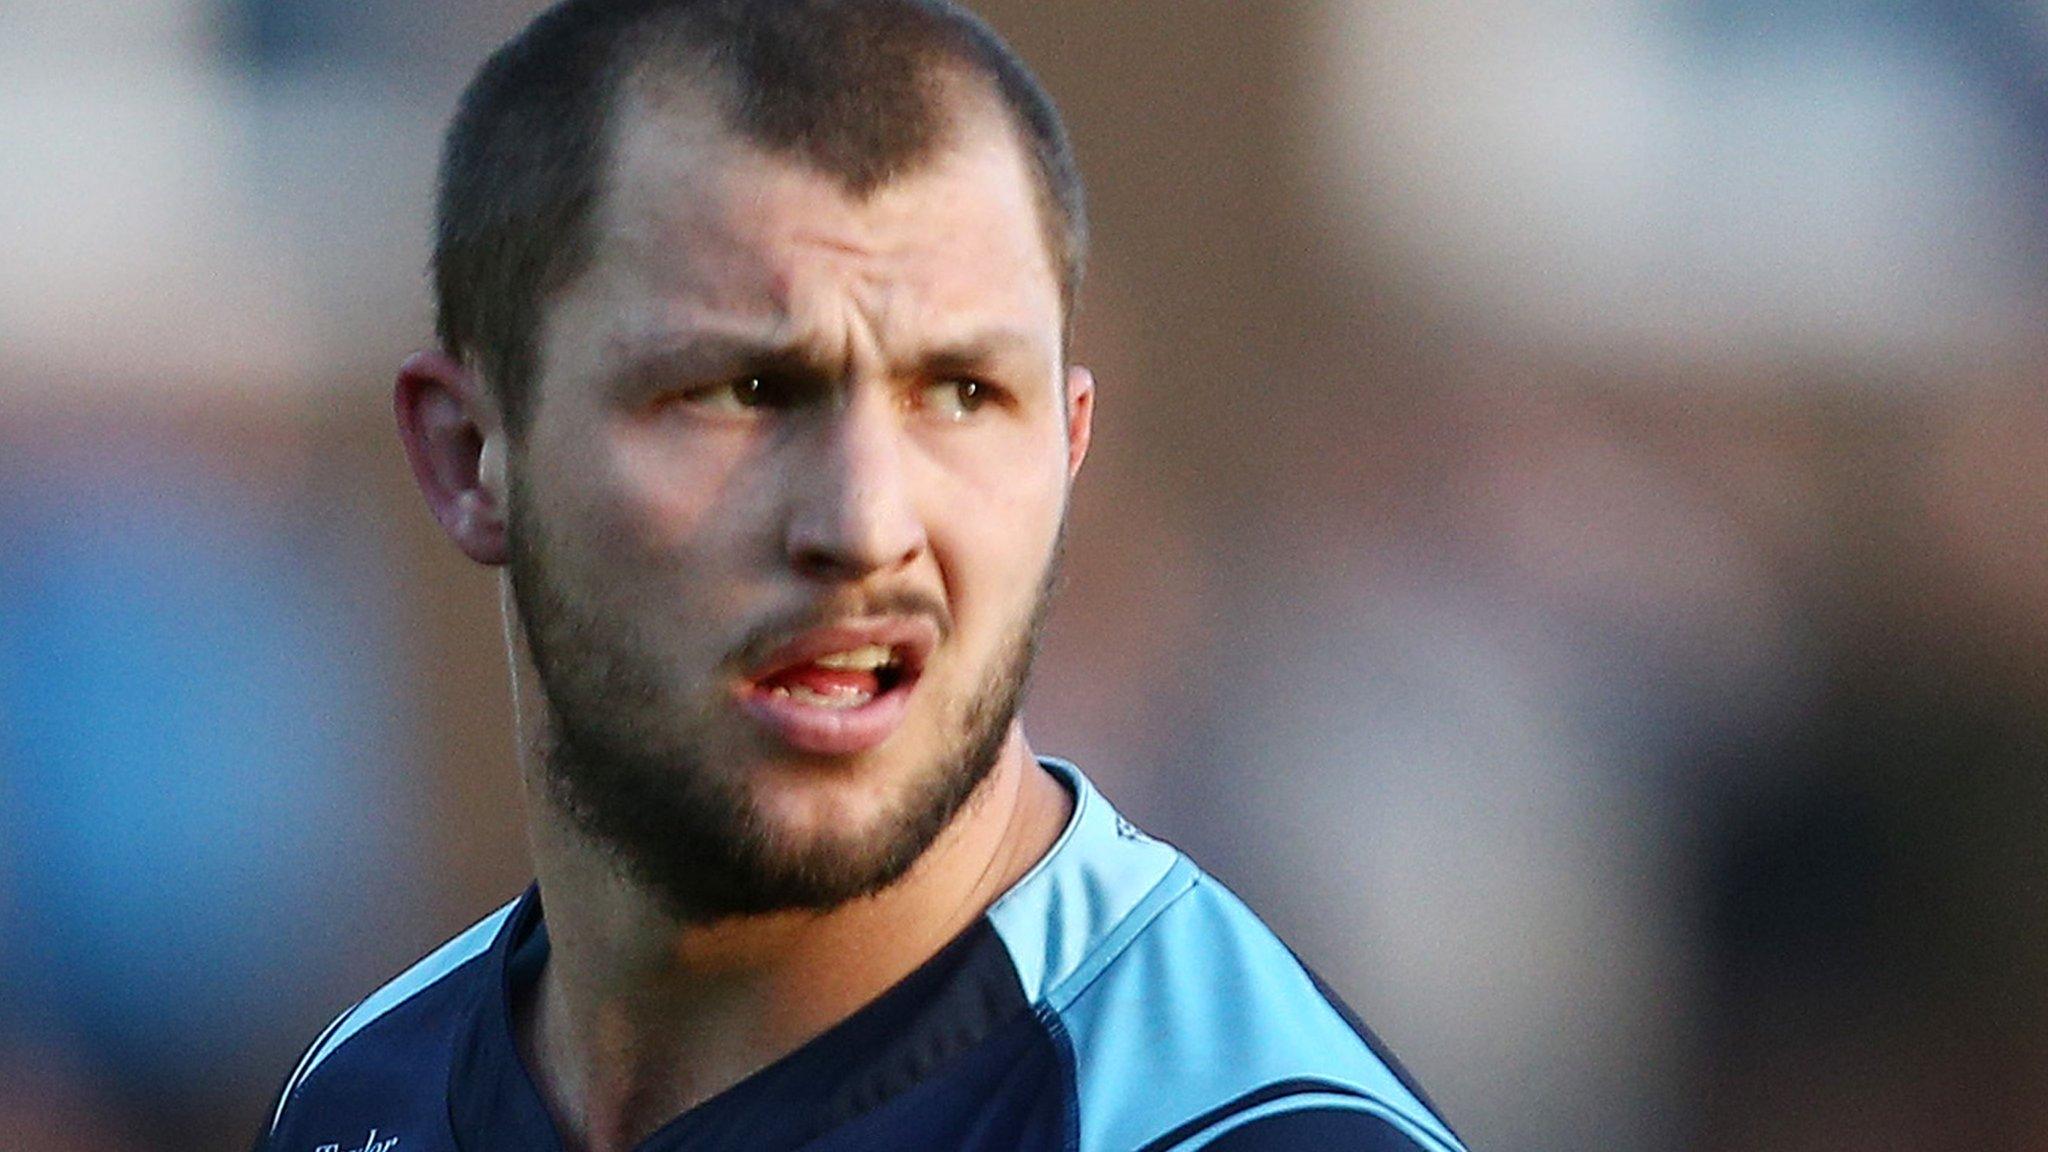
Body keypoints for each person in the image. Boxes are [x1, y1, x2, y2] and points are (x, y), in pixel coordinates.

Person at [256, 2, 1468, 1149]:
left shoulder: (1245, 1128)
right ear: (472, 454)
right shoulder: (368, 1090)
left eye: (962, 394)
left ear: (1069, 445)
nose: (863, 522)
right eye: (739, 391)